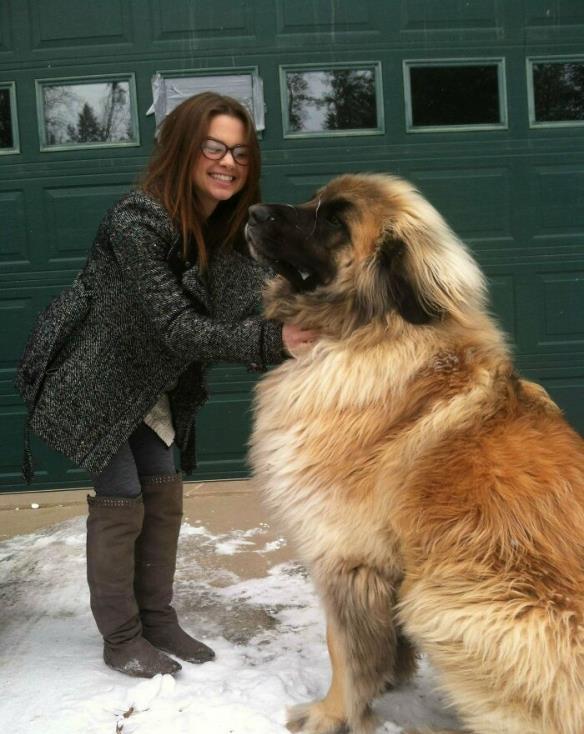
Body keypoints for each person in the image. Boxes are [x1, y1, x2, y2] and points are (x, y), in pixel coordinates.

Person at [15, 92, 316, 678]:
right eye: (213, 147)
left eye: (240, 152)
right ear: (183, 149)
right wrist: (273, 341)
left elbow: (259, 294)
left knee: (164, 488)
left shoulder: (222, 229)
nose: (228, 162)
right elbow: (177, 328)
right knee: (123, 495)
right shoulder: (136, 221)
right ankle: (121, 637)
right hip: (94, 381)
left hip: (150, 386)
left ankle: (157, 618)